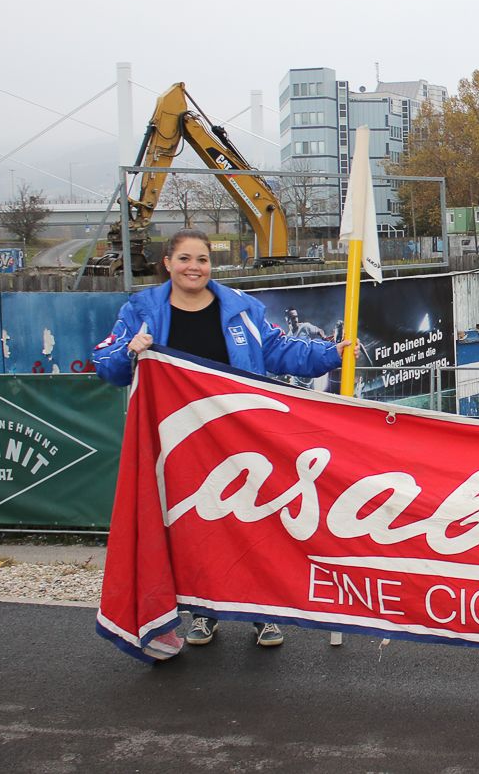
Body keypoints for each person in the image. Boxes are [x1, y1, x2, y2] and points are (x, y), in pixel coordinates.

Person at [93, 228, 353, 649]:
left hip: (241, 438)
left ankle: (263, 614)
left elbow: (280, 350)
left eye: (202, 260)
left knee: (254, 526)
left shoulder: (241, 308)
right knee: (195, 531)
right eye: (185, 259)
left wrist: (332, 352)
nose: (194, 267)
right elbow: (107, 365)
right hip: (178, 442)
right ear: (168, 263)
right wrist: (131, 350)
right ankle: (204, 610)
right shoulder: (141, 310)